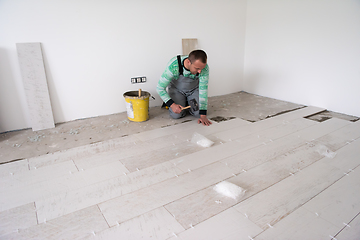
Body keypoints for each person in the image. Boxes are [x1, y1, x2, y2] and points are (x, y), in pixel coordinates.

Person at [156, 50, 212, 126]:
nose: (199, 71)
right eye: (197, 68)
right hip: (177, 90)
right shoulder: (174, 65)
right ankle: (183, 101)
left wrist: (203, 116)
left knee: (198, 113)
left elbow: (203, 90)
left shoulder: (203, 68)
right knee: (176, 115)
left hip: (193, 90)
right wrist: (172, 105)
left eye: (201, 69)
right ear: (188, 62)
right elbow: (160, 88)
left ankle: (187, 102)